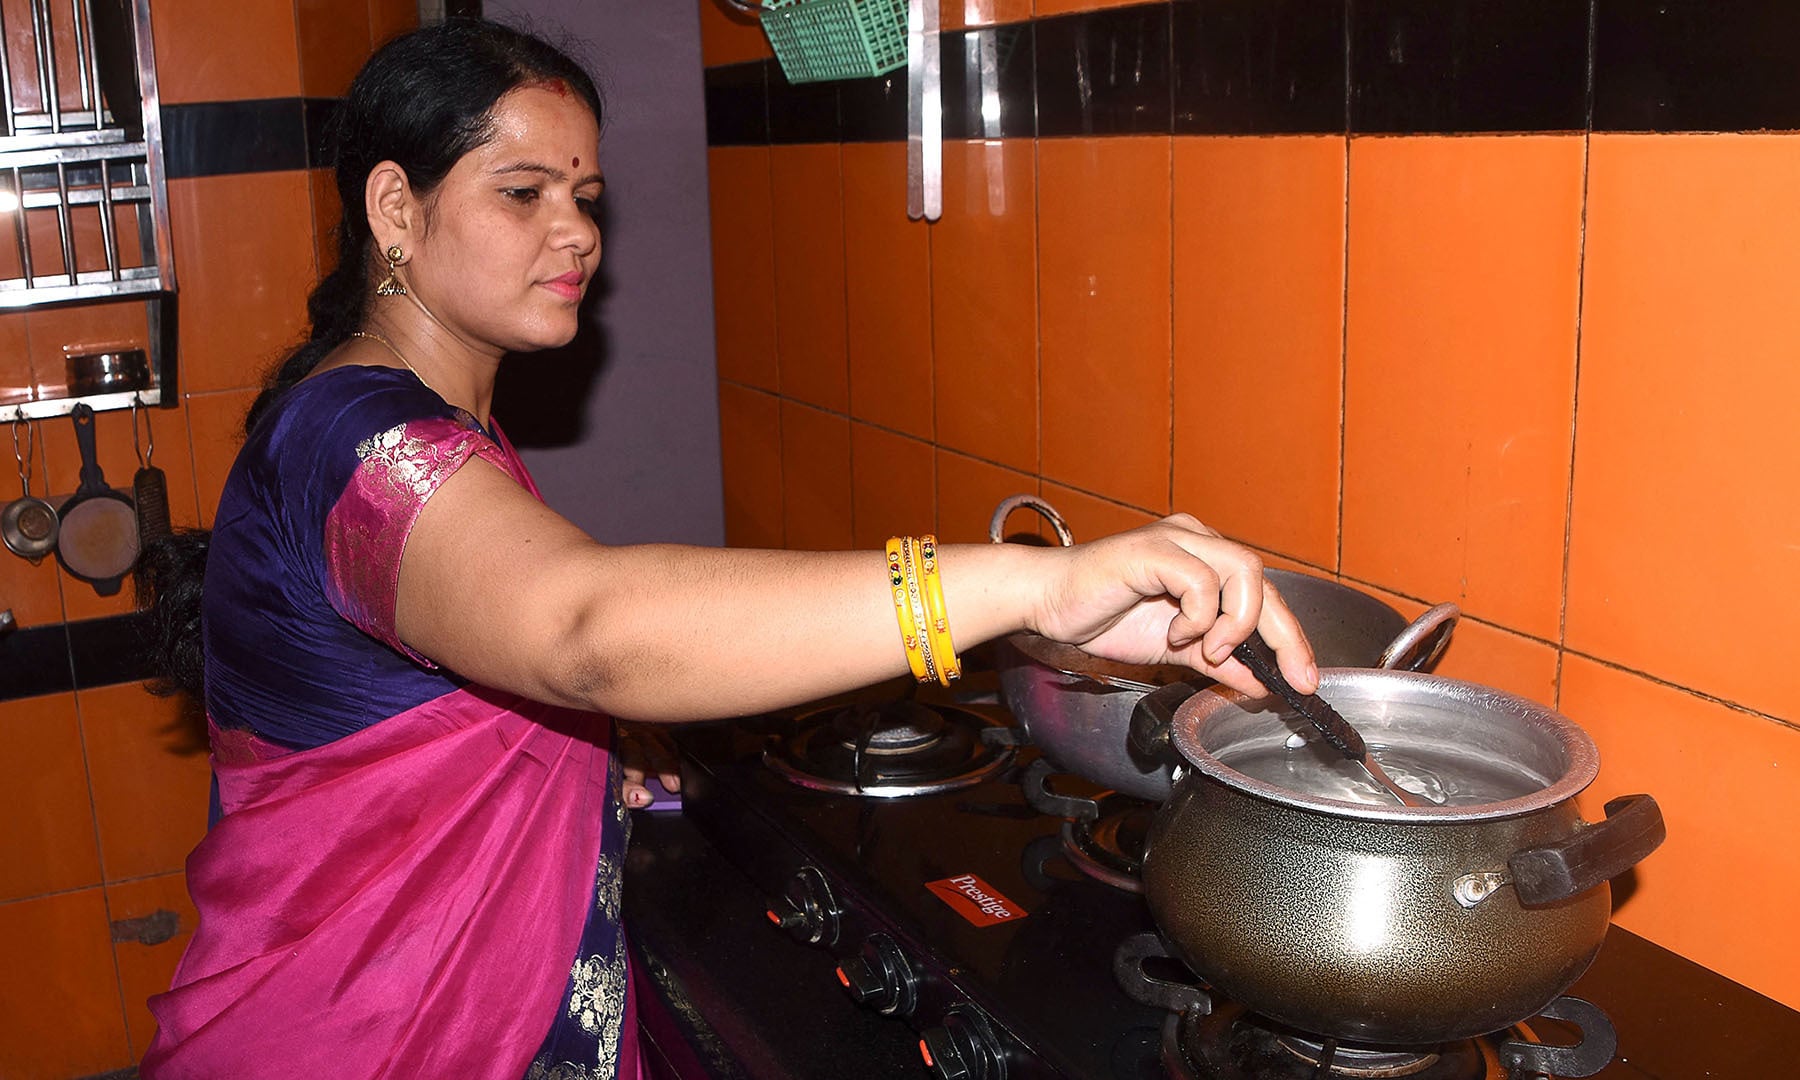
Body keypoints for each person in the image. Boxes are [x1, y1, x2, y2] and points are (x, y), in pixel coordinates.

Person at [134, 18, 1318, 1080]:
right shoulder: (357, 439)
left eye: (586, 196)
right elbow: (581, 633)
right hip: (354, 1036)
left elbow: (447, 702)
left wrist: (587, 767)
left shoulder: (428, 428)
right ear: (396, 208)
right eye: (523, 192)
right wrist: (1031, 584)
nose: (575, 234)